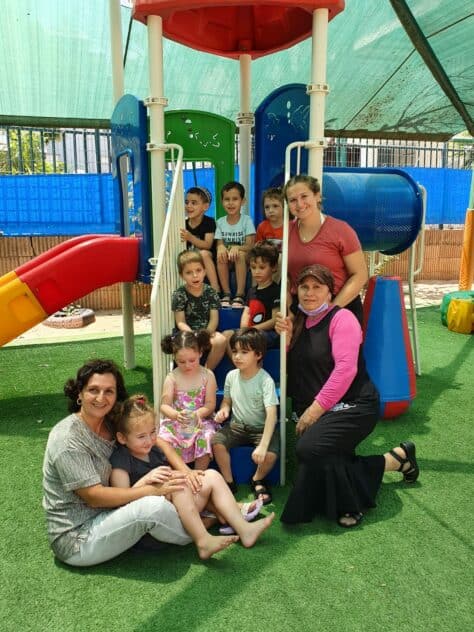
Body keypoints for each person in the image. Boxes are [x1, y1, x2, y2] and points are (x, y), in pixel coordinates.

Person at [275, 265, 420, 528]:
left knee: (309, 449)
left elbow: (346, 370)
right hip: (322, 407)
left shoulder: (343, 319)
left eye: (317, 287)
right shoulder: (297, 320)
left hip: (355, 405)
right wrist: (285, 337)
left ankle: (351, 501)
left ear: (330, 292)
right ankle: (395, 459)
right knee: (327, 456)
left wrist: (313, 410)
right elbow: (295, 365)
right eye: (305, 287)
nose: (309, 293)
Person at [42, 359, 195, 566]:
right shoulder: (67, 440)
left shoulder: (110, 420)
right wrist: (151, 490)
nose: (101, 398)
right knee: (153, 506)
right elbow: (94, 497)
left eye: (109, 391)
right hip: (79, 538)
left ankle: (217, 513)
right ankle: (201, 528)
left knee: (183, 483)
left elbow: (154, 439)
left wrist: (185, 470)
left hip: (112, 513)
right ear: (79, 393)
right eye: (93, 390)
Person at [109, 394, 271, 555]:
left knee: (211, 475)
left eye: (153, 432)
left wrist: (189, 474)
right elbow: (123, 506)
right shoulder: (121, 460)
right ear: (122, 438)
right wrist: (146, 480)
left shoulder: (155, 447)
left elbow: (178, 468)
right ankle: (203, 541)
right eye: (141, 436)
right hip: (154, 526)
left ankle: (244, 530)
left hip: (180, 509)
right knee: (176, 485)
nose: (150, 440)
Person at [284, 174, 368, 324]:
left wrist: (330, 310)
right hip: (303, 309)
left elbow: (360, 275)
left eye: (304, 196)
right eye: (293, 200)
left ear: (317, 196)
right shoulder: (287, 231)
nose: (299, 204)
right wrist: (290, 308)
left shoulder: (341, 230)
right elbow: (287, 276)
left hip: (339, 308)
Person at [212, 328, 279, 505]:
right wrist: (224, 410)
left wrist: (263, 446)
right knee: (217, 443)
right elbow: (226, 401)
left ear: (258, 354)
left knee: (271, 455)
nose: (237, 357)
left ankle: (257, 479)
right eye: (234, 351)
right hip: (237, 426)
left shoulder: (265, 381)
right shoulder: (231, 376)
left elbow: (272, 414)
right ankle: (228, 481)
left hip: (260, 428)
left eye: (244, 352)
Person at [158, 330, 219, 469]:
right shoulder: (172, 377)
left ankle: (199, 474)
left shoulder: (207, 375)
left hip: (200, 420)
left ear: (200, 353)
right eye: (181, 362)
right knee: (165, 438)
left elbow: (210, 404)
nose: (187, 365)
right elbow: (164, 406)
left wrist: (198, 414)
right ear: (174, 358)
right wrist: (176, 415)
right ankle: (177, 472)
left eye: (192, 360)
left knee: (207, 436)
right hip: (177, 421)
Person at [171, 250, 227, 370]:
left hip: (207, 332)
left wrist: (205, 335)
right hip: (187, 333)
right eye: (189, 272)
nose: (195, 275)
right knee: (186, 345)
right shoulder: (179, 294)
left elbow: (214, 319)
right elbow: (180, 321)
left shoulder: (211, 292)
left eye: (198, 270)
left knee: (221, 340)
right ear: (182, 275)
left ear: (205, 271)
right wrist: (192, 334)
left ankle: (206, 372)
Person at [223, 241, 280, 351]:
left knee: (247, 340)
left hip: (268, 334)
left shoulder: (275, 290)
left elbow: (274, 320)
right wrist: (244, 329)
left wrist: (252, 329)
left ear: (273, 267)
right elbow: (246, 313)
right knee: (226, 335)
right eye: (253, 267)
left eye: (262, 267)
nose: (257, 271)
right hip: (251, 332)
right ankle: (239, 366)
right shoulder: (251, 291)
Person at [215, 181, 256, 308]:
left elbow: (250, 245)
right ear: (222, 202)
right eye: (227, 199)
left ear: (242, 201)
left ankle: (240, 294)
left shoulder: (246, 220)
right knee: (220, 255)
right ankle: (226, 293)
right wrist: (221, 247)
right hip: (228, 259)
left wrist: (236, 247)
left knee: (240, 254)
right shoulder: (220, 222)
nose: (231, 203)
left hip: (244, 258)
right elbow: (219, 244)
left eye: (235, 199)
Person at [180, 186, 220, 292]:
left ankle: (216, 290)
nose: (189, 206)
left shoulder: (209, 222)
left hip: (207, 258)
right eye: (186, 202)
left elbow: (208, 245)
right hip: (190, 258)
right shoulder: (183, 223)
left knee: (204, 253)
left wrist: (191, 238)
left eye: (194, 203)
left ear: (205, 206)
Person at [255, 186, 284, 251]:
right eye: (267, 207)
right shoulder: (262, 227)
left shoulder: (290, 226)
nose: (270, 210)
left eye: (275, 206)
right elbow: (258, 249)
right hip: (267, 259)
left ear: (284, 207)